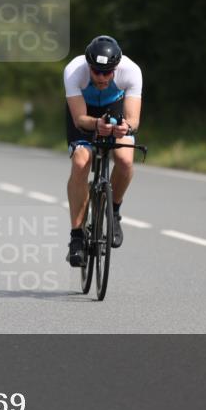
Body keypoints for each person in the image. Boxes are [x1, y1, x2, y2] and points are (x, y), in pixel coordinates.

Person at [64, 35, 143, 267]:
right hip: (85, 112)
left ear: (116, 69)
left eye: (107, 72)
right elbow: (79, 119)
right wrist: (97, 125)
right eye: (96, 71)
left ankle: (114, 211)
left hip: (115, 106)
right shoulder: (74, 71)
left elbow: (134, 120)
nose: (100, 77)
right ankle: (76, 237)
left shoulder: (131, 71)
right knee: (80, 161)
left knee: (125, 159)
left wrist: (125, 127)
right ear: (88, 66)